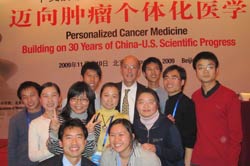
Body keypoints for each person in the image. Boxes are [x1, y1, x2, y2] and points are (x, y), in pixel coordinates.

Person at [191, 51, 242, 166]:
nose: (205, 71)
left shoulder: (230, 96)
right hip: (197, 160)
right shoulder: (195, 97)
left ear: (217, 70)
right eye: (200, 67)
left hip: (221, 161)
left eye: (210, 67)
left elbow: (236, 137)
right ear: (196, 72)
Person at [47, 81, 101, 158]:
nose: (78, 103)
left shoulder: (93, 123)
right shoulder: (58, 120)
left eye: (83, 99)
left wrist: (90, 134)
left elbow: (89, 153)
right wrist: (54, 133)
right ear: (68, 100)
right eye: (74, 99)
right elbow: (53, 150)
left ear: (90, 102)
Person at [133, 88, 183, 165]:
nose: (146, 106)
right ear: (136, 105)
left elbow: (178, 154)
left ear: (157, 104)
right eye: (141, 102)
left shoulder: (168, 125)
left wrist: (157, 149)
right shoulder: (134, 126)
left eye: (150, 102)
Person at [162, 65, 197, 166]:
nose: (169, 81)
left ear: (182, 82)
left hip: (181, 158)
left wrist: (186, 162)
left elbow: (190, 136)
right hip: (170, 154)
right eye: (166, 78)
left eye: (174, 78)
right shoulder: (168, 101)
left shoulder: (187, 103)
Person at [91, 82, 128, 165]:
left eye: (114, 96)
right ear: (100, 97)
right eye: (106, 95)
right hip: (93, 158)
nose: (110, 100)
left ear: (118, 99)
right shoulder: (93, 116)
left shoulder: (124, 118)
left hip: (113, 158)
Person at [8, 81, 44, 166]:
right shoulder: (15, 120)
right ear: (21, 100)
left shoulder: (49, 116)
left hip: (47, 162)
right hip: (24, 163)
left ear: (39, 95)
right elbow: (12, 147)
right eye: (24, 97)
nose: (29, 100)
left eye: (32, 95)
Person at [28, 82, 61, 162]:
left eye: (53, 95)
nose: (50, 100)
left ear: (59, 98)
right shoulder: (35, 123)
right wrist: (53, 148)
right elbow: (32, 156)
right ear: (40, 99)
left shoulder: (68, 119)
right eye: (45, 96)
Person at [115, 55, 146, 123]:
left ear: (138, 71)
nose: (129, 71)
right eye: (126, 67)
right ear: (121, 70)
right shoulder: (112, 90)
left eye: (133, 67)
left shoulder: (146, 92)